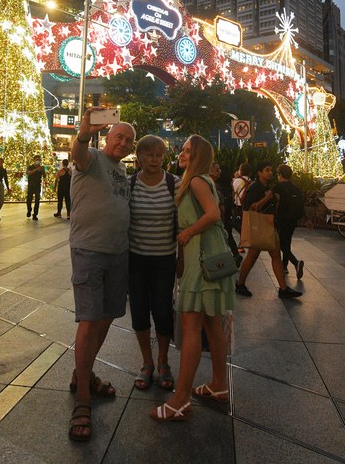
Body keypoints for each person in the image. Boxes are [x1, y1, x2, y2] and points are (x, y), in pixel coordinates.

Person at [151, 135, 233, 423]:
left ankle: (181, 399)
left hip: (202, 258)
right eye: (183, 149)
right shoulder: (198, 180)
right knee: (212, 323)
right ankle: (219, 385)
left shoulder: (197, 181)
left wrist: (187, 233)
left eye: (188, 150)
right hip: (210, 256)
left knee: (191, 326)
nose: (182, 153)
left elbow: (213, 214)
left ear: (198, 156)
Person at [67, 109, 135, 442]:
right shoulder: (91, 157)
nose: (123, 142)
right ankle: (82, 399)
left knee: (107, 317)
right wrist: (83, 132)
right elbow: (77, 154)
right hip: (89, 250)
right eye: (118, 136)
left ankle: (83, 374)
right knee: (90, 320)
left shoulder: (122, 170)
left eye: (129, 140)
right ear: (106, 138)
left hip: (118, 253)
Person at [128, 135, 178, 393]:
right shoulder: (130, 184)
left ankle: (163, 362)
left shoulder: (173, 183)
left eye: (158, 155)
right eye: (149, 155)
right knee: (139, 310)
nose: (154, 160)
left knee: (162, 310)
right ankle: (146, 363)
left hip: (164, 259)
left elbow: (185, 219)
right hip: (135, 259)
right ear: (139, 158)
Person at [234, 161, 303, 299]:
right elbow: (251, 208)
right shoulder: (255, 187)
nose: (270, 172)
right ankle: (241, 284)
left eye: (271, 170)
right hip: (259, 226)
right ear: (260, 173)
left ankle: (283, 288)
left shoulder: (268, 187)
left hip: (268, 225)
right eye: (267, 170)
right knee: (253, 256)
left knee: (275, 255)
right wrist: (267, 198)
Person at [273, 164, 305, 279]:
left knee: (281, 244)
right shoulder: (295, 188)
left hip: (282, 219)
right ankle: (284, 266)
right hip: (293, 219)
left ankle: (296, 263)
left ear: (280, 175)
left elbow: (276, 203)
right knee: (287, 242)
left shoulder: (278, 187)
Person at [210, 162, 242, 267]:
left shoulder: (216, 187)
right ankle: (235, 255)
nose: (219, 172)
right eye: (217, 169)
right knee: (228, 235)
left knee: (225, 237)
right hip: (227, 215)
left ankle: (224, 262)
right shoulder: (229, 186)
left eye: (219, 170)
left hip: (220, 218)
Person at [230, 163, 253, 253]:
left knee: (235, 224)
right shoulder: (251, 181)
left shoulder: (238, 180)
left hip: (238, 206)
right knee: (242, 225)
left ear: (241, 171)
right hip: (246, 207)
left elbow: (233, 190)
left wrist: (235, 178)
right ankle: (242, 243)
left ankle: (244, 240)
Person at [26, 155, 45, 220]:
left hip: (37, 185)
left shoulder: (41, 168)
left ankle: (35, 214)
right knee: (29, 199)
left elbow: (44, 176)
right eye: (37, 159)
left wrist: (43, 171)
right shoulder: (30, 167)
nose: (38, 161)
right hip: (31, 185)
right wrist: (36, 169)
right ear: (34, 160)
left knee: (37, 200)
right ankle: (29, 210)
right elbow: (28, 173)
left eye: (39, 160)